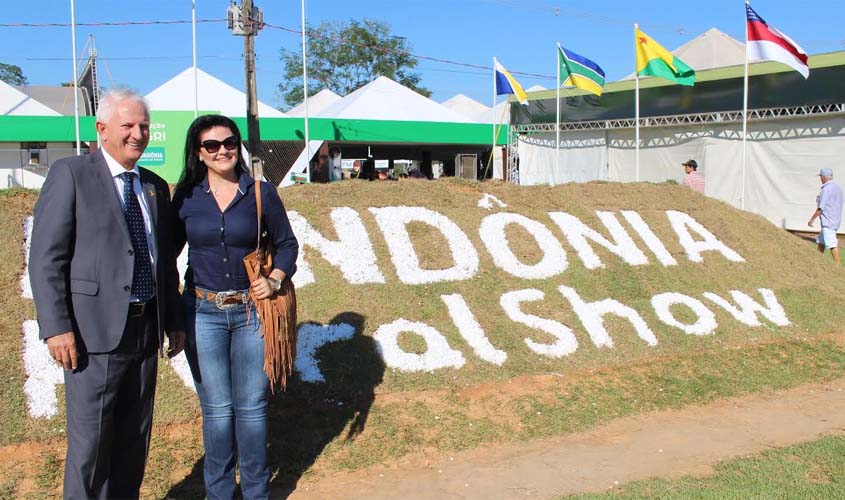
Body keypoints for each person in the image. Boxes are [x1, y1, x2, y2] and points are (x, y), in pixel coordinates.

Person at [29, 89, 185, 499]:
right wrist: (57, 327)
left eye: (144, 126)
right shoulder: (71, 174)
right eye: (128, 125)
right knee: (91, 450)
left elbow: (162, 259)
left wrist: (173, 321)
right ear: (101, 129)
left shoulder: (153, 187)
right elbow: (46, 259)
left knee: (134, 441)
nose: (138, 134)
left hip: (145, 333)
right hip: (91, 337)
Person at [172, 114, 299, 499]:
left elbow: (289, 244)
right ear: (198, 152)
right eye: (212, 145)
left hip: (251, 313)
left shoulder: (260, 192)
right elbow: (166, 254)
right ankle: (220, 493)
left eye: (229, 142)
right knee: (217, 411)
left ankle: (257, 492)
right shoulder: (187, 197)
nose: (222, 150)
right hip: (202, 311)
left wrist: (274, 278)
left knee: (252, 408)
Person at [808, 167, 843, 264]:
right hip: (835, 220)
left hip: (828, 222)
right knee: (821, 241)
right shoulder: (838, 188)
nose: (820, 179)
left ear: (824, 177)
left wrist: (811, 220)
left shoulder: (826, 189)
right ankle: (818, 262)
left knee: (832, 244)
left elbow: (821, 208)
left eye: (821, 177)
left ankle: (839, 267)